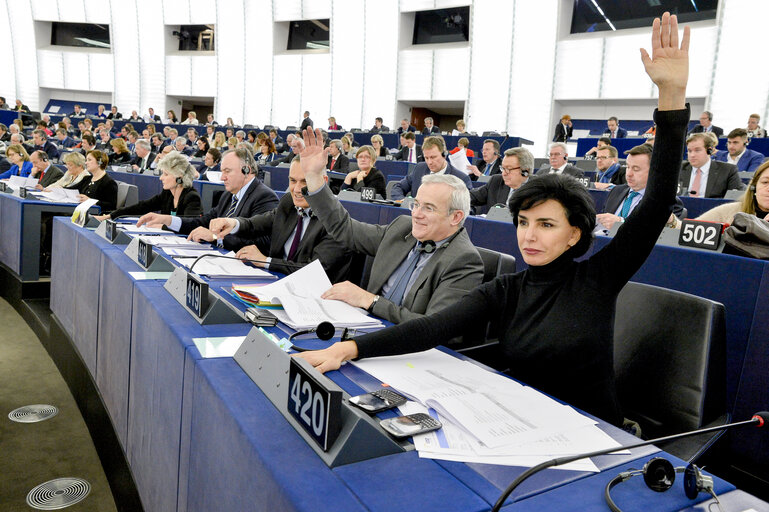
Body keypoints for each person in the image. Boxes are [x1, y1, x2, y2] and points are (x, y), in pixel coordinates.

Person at [296, 12, 691, 427]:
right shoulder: (507, 289)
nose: (529, 236)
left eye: (546, 224)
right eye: (523, 223)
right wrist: (350, 350)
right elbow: (431, 328)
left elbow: (658, 199)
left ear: (575, 234)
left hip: (591, 433)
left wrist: (671, 96)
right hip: (516, 422)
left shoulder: (599, 278)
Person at [247, 128, 485, 325]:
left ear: (456, 217)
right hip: (360, 326)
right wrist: (315, 179)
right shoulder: (402, 229)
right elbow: (345, 229)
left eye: (429, 208)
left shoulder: (463, 260)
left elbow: (431, 327)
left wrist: (370, 301)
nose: (417, 215)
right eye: (416, 205)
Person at [208, 157, 355, 282]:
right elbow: (258, 223)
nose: (297, 189)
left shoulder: (335, 220)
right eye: (292, 180)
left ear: (323, 181)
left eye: (304, 182)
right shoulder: (288, 203)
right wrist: (233, 223)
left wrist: (265, 261)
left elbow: (314, 271)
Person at [137, 147, 279, 251]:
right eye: (222, 171)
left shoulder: (264, 196)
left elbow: (263, 242)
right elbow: (203, 222)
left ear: (246, 170)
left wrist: (216, 238)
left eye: (227, 171)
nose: (222, 177)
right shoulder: (228, 195)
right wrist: (168, 220)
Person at [596, 144, 685, 232]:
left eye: (636, 169)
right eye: (628, 167)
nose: (629, 174)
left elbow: (655, 234)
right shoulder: (616, 191)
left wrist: (621, 223)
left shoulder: (666, 202)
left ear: (653, 171)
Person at [96, 151, 202, 220]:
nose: (161, 178)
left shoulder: (192, 197)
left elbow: (189, 226)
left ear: (179, 176)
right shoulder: (167, 194)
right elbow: (142, 206)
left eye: (166, 174)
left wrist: (162, 225)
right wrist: (110, 216)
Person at [671, 160, 769, 228]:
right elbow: (688, 230)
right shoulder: (730, 210)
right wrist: (671, 220)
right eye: (765, 182)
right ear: (754, 187)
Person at [390, 136, 472, 200]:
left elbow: (469, 208)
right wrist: (402, 201)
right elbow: (398, 187)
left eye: (433, 157)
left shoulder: (461, 179)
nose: (429, 162)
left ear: (444, 155)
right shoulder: (419, 168)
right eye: (426, 158)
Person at [680, 132, 744, 198]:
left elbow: (735, 199)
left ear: (709, 151)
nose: (692, 155)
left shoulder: (728, 171)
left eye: (697, 150)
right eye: (689, 151)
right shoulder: (678, 170)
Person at [469, 147, 532, 213]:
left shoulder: (539, 189)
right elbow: (470, 196)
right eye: (503, 168)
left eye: (508, 169)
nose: (504, 174)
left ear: (525, 171)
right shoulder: (496, 181)